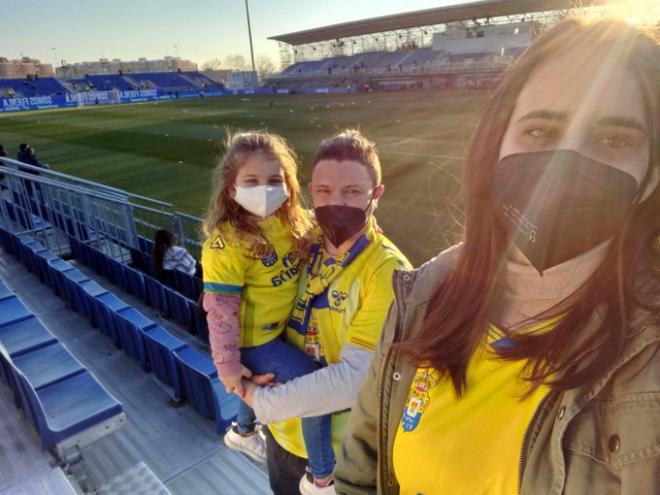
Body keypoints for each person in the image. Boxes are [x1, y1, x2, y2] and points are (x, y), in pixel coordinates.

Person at [335, 17, 660, 495]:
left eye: (614, 140)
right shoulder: (425, 294)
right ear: (496, 146)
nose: (564, 167)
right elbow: (359, 473)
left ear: (649, 178)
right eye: (541, 131)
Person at [240, 130, 411, 495]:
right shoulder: (300, 236)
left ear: (375, 196)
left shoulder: (388, 273)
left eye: (352, 192)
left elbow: (354, 380)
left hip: (340, 455)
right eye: (323, 191)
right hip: (283, 436)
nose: (335, 203)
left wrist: (259, 401)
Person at [201, 130, 337, 481]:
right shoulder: (226, 243)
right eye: (252, 180)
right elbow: (220, 311)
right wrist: (229, 366)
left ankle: (243, 431)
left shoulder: (287, 220)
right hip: (252, 341)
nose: (265, 188)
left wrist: (363, 226)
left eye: (274, 179)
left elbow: (319, 229)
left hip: (277, 331)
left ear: (288, 184)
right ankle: (321, 477)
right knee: (316, 389)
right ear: (232, 188)